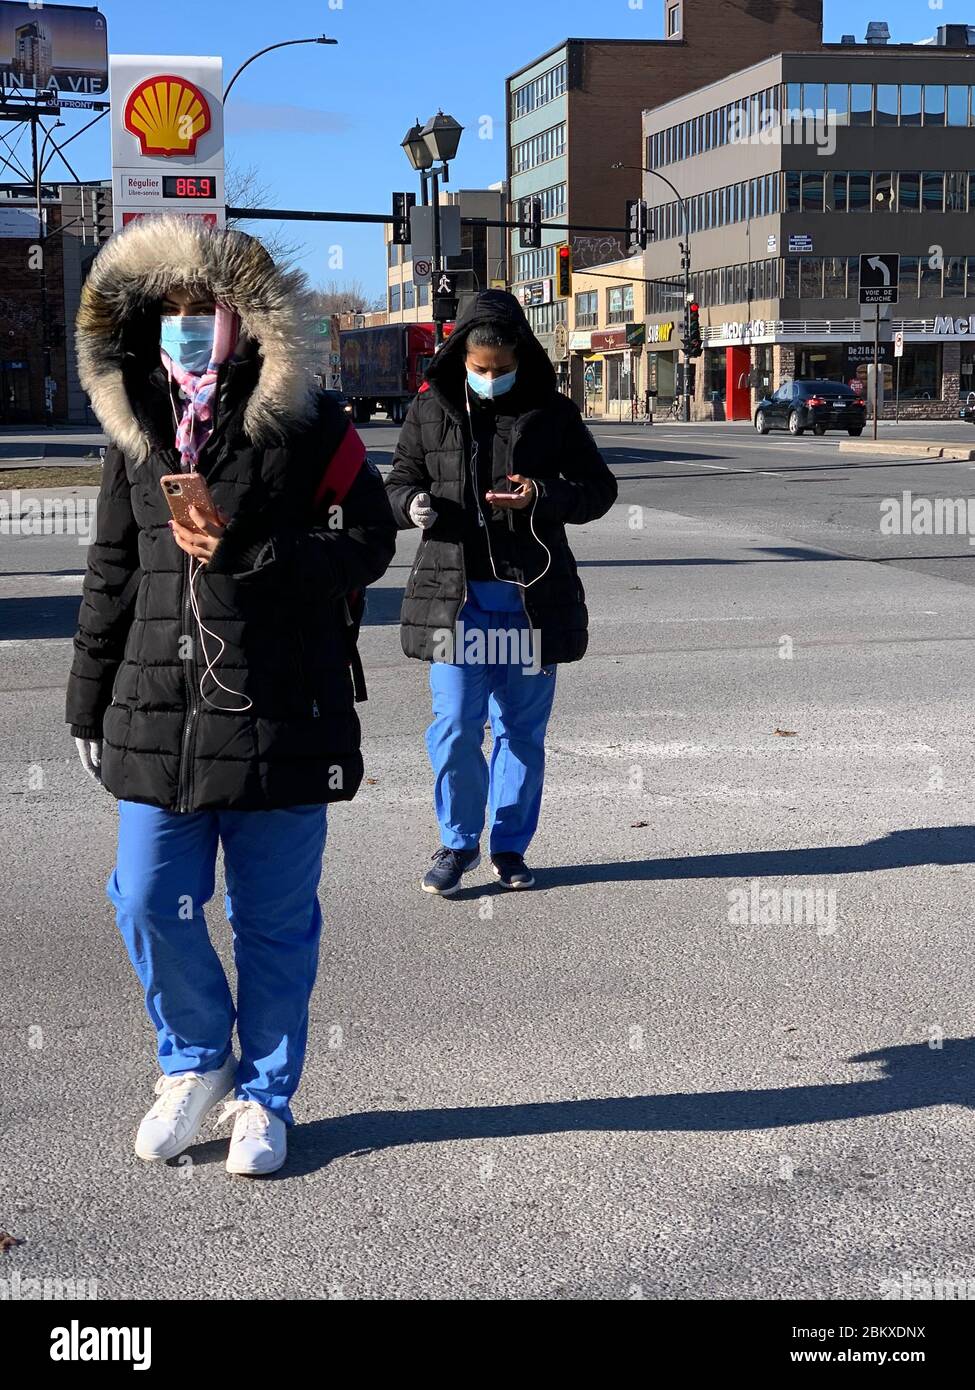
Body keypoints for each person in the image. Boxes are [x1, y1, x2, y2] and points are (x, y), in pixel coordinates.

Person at [66, 216, 395, 1175]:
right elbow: (110, 572)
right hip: (155, 710)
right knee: (146, 895)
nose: (186, 329)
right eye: (168, 315)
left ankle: (266, 1096)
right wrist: (87, 702)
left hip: (283, 709)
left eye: (202, 312)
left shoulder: (313, 426)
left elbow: (369, 544)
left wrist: (261, 554)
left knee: (274, 921)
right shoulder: (135, 434)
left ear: (244, 321)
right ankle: (196, 1062)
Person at [385, 289, 617, 895]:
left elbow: (598, 490)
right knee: (457, 726)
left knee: (520, 731)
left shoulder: (555, 412)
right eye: (481, 369)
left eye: (502, 369)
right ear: (460, 356)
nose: (491, 378)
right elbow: (397, 481)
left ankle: (509, 846)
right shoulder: (428, 410)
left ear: (522, 357)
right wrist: (412, 505)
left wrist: (542, 494)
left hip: (530, 602)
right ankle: (457, 843)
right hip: (454, 602)